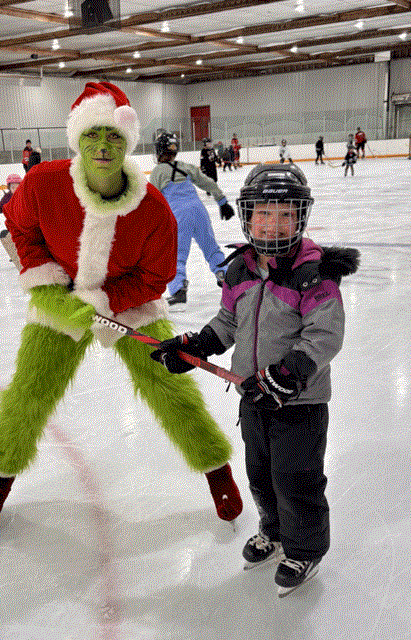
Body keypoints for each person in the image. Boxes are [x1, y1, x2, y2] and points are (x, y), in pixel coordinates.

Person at [0, 82, 243, 528]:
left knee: (169, 385)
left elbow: (156, 277)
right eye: (93, 135)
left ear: (128, 142)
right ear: (77, 138)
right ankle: (1, 471)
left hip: (128, 300)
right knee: (29, 392)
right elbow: (21, 230)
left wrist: (105, 302)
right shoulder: (43, 183)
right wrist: (50, 293)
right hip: (60, 298)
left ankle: (216, 467)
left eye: (115, 136)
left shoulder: (153, 207)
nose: (103, 146)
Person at [150, 163, 360, 595]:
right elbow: (230, 321)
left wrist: (290, 374)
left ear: (301, 217)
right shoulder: (241, 269)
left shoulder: (313, 273)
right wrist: (197, 344)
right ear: (247, 217)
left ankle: (305, 548)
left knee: (296, 478)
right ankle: (275, 530)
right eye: (264, 214)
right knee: (262, 474)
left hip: (298, 402)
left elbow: (325, 334)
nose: (273, 224)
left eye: (285, 214)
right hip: (254, 397)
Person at [149, 133, 235, 305]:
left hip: (179, 215)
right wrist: (222, 201)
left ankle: (179, 289)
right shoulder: (186, 166)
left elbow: (153, 199)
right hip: (199, 211)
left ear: (158, 151)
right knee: (211, 247)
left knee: (177, 253)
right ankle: (224, 275)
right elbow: (208, 182)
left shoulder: (158, 171)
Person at [0, 173, 24, 268]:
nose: (15, 188)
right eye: (12, 187)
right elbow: (0, 207)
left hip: (24, 223)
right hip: (13, 224)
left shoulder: (24, 195)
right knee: (13, 238)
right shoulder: (7, 198)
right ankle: (15, 254)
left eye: (17, 186)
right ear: (9, 187)